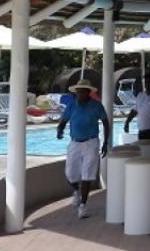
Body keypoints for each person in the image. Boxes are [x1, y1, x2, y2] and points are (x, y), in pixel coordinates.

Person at [56, 80, 110, 219]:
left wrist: (106, 143)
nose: (80, 94)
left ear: (88, 92)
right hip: (75, 143)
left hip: (91, 142)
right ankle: (77, 191)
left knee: (87, 174)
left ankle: (83, 206)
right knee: (70, 174)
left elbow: (106, 123)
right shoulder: (71, 106)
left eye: (83, 91)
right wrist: (60, 130)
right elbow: (63, 121)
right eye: (78, 91)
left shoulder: (96, 106)